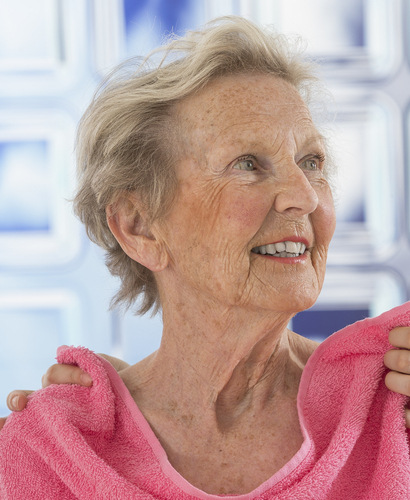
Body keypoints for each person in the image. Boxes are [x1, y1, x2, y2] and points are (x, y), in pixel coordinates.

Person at [0, 16, 410, 499]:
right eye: (247, 164)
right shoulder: (53, 454)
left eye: (311, 163)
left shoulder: (394, 414)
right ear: (139, 226)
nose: (304, 196)